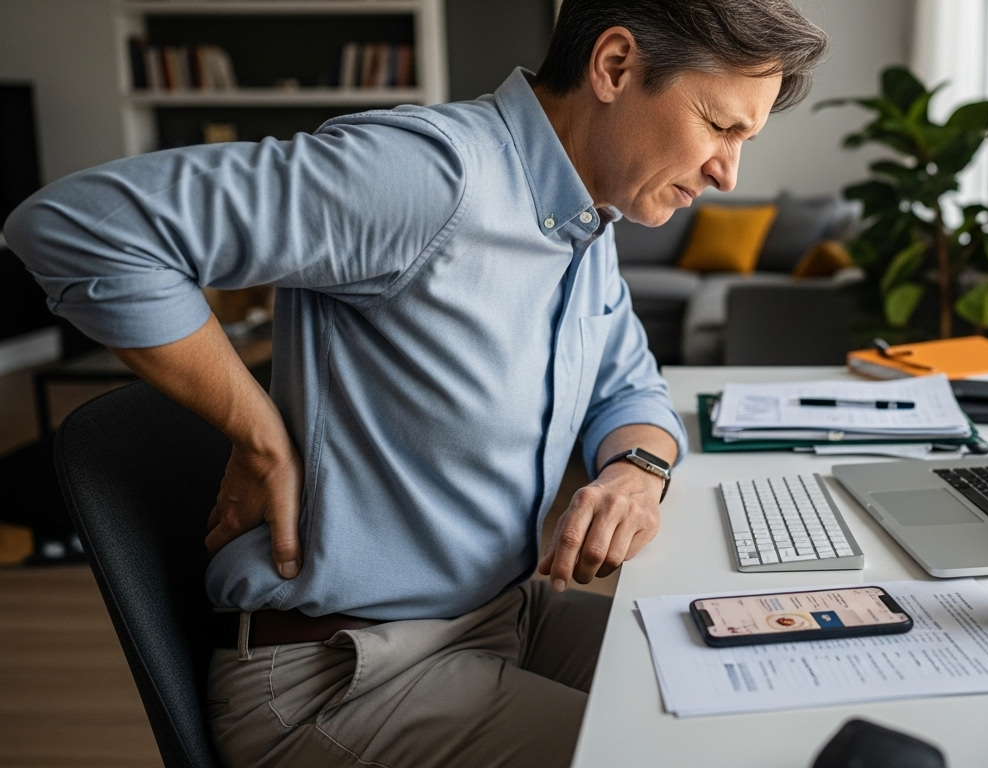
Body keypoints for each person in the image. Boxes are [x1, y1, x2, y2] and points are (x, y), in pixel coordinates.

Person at [5, 0, 826, 765]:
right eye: (721, 125)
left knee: (751, 698)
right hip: (347, 675)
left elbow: (631, 385)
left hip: (501, 613)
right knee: (685, 756)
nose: (728, 173)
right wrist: (257, 432)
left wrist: (634, 474)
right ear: (615, 66)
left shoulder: (590, 217)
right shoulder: (427, 176)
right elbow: (76, 227)